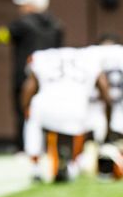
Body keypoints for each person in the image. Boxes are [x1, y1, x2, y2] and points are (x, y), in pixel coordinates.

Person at [22, 46, 109, 182]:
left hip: (45, 103)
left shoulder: (42, 57)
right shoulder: (91, 59)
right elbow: (104, 88)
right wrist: (107, 107)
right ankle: (70, 163)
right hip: (76, 105)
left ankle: (36, 168)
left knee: (33, 122)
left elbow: (29, 87)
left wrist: (25, 109)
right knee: (77, 129)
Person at [0, 0, 63, 155]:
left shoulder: (22, 24)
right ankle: (48, 146)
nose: (21, 8)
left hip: (25, 76)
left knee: (23, 110)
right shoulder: (57, 24)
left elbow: (2, 36)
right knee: (50, 112)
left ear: (32, 6)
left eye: (25, 4)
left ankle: (23, 146)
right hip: (50, 78)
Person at [85, 33, 123, 177]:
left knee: (90, 155)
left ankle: (95, 157)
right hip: (120, 109)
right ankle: (117, 157)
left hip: (94, 109)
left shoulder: (89, 54)